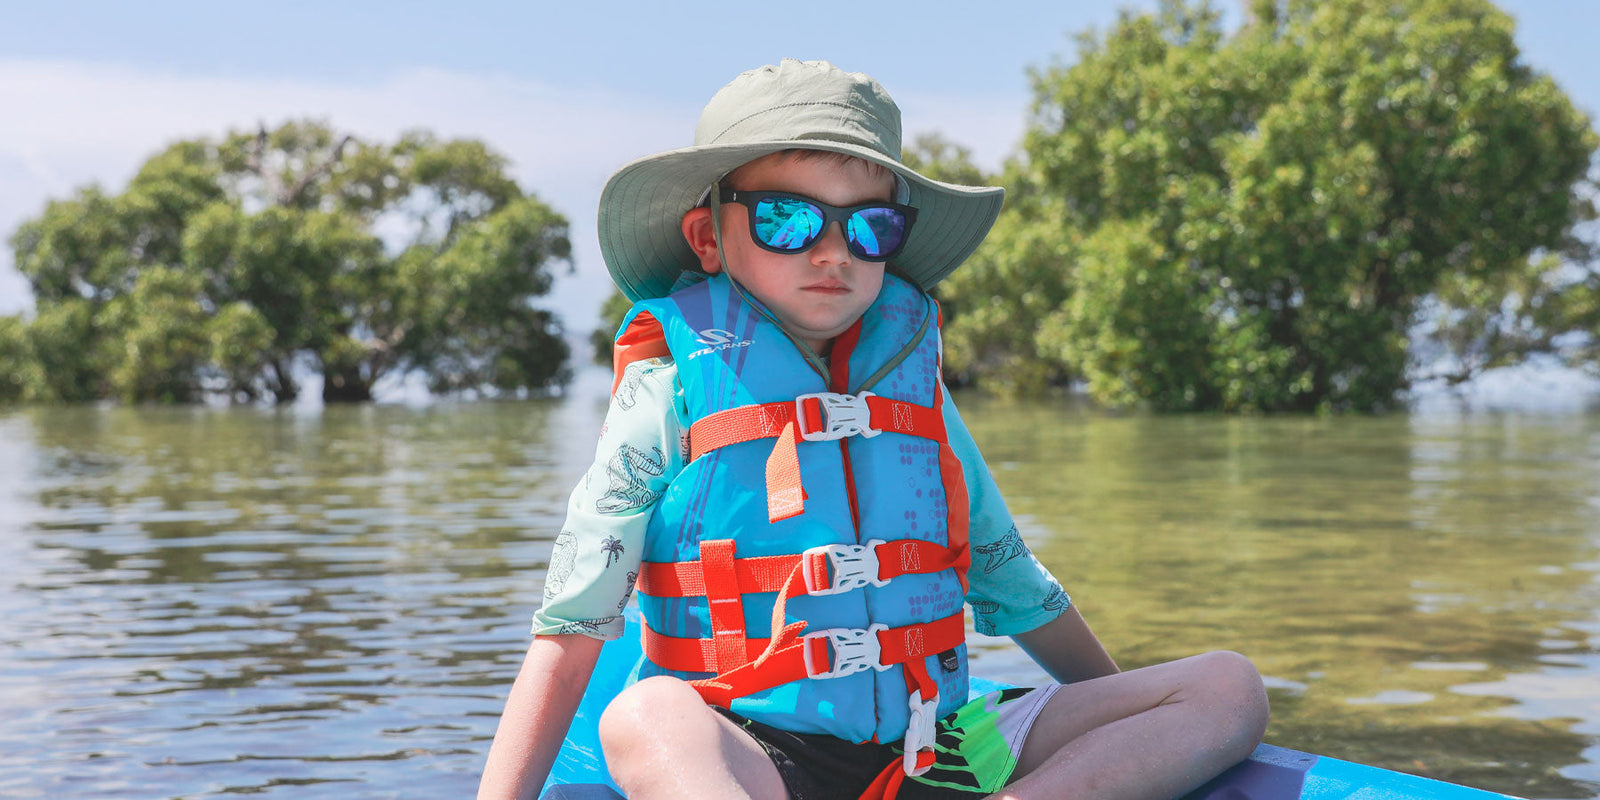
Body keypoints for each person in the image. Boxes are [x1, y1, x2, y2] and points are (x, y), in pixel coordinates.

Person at [478, 59, 1269, 800]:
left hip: (939, 748)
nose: (833, 254)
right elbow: (572, 625)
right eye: (788, 219)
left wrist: (1118, 715)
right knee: (642, 717)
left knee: (1227, 687)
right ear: (709, 238)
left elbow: (1010, 577)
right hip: (755, 751)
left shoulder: (914, 389)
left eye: (870, 228)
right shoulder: (667, 391)